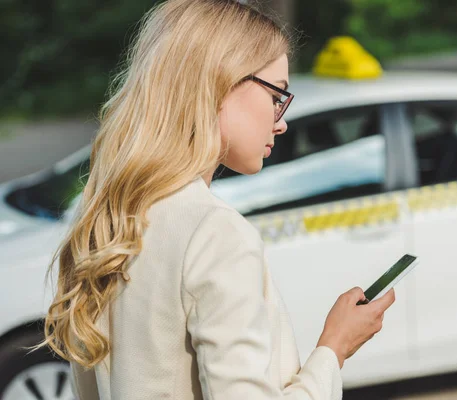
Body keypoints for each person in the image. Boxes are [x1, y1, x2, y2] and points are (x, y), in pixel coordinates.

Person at [38, 1, 396, 399]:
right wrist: (333, 350)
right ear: (219, 84)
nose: (282, 120)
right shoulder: (213, 232)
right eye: (277, 94)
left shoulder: (108, 219)